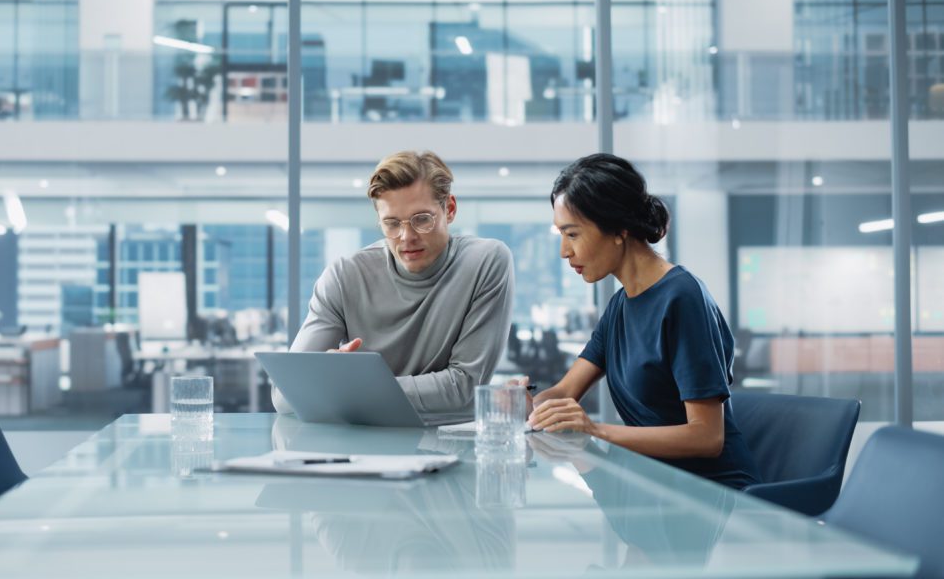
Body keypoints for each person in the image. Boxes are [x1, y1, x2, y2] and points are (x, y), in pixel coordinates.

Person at [518, 153, 760, 490]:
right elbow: (564, 391)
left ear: (618, 229)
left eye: (572, 235)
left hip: (712, 491)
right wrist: (528, 404)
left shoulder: (681, 298)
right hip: (653, 482)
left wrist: (596, 430)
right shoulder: (621, 305)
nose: (564, 251)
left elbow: (707, 436)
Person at [273, 150, 515, 415]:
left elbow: (464, 388)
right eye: (391, 224)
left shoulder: (486, 261)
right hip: (361, 447)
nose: (406, 237)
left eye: (422, 219)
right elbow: (285, 395)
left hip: (449, 443)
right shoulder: (344, 276)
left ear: (450, 209)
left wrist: (344, 388)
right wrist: (331, 380)